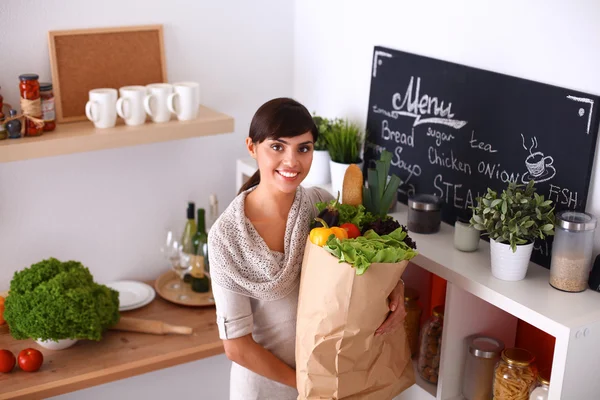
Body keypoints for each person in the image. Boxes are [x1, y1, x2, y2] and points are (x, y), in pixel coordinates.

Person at [208, 98, 406, 400]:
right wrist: (307, 386)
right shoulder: (226, 238)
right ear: (251, 147)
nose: (292, 161)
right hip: (267, 390)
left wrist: (395, 288)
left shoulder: (321, 206)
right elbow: (237, 347)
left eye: (303, 148)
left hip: (328, 377)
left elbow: (362, 264)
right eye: (277, 146)